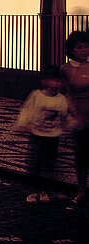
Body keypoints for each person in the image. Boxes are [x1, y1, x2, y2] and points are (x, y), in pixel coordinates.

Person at [14, 67, 70, 202]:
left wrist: (69, 126)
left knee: (49, 165)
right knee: (35, 163)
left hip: (53, 136)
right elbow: (27, 111)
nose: (56, 83)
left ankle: (45, 190)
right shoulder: (36, 96)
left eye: (58, 80)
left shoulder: (62, 99)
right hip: (37, 135)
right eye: (53, 80)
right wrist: (23, 124)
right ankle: (33, 191)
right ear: (44, 81)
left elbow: (64, 116)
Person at [60, 30, 89, 206]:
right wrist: (74, 114)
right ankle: (82, 189)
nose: (84, 51)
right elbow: (66, 94)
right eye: (80, 47)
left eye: (86, 47)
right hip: (79, 116)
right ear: (71, 49)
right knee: (81, 154)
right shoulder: (65, 69)